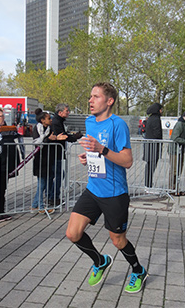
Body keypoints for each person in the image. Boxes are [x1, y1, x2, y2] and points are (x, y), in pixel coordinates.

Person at [65, 82, 148, 293]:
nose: (90, 100)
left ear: (109, 101)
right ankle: (100, 261)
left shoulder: (117, 124)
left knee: (118, 241)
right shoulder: (89, 122)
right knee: (72, 233)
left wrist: (101, 149)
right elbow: (95, 152)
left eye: (96, 97)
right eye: (90, 96)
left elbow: (127, 160)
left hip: (114, 193)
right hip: (93, 189)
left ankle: (138, 270)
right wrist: (88, 156)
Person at [31, 108, 67, 213]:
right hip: (40, 159)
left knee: (44, 182)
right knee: (41, 183)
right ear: (42, 120)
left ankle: (35, 205)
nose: (51, 120)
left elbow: (52, 138)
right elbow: (37, 142)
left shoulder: (49, 129)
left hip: (48, 159)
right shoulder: (37, 129)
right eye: (48, 118)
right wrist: (48, 139)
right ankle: (40, 206)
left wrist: (56, 138)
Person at [50, 103, 82, 206]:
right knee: (58, 174)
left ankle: (53, 196)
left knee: (57, 174)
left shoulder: (59, 121)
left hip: (58, 152)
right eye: (66, 111)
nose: (68, 112)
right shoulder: (56, 122)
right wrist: (74, 137)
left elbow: (64, 135)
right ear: (60, 112)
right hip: (54, 152)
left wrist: (73, 136)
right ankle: (54, 197)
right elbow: (61, 136)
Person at [143, 103, 163, 190]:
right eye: (161, 109)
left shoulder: (151, 118)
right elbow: (157, 133)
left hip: (150, 145)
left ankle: (148, 184)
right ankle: (148, 185)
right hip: (153, 146)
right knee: (151, 165)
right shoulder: (156, 119)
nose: (162, 111)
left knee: (150, 165)